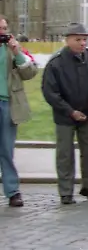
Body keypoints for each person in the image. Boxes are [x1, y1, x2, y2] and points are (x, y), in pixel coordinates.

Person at [42, 24, 88, 205]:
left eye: (84, 39)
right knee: (65, 154)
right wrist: (70, 111)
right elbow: (50, 92)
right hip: (65, 116)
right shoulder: (56, 62)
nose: (82, 43)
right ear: (67, 40)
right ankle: (66, 191)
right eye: (78, 39)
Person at [0, 15, 36, 207]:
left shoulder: (12, 48)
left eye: (4, 28)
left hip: (7, 104)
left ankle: (12, 190)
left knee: (6, 149)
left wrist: (17, 52)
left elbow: (30, 72)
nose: (3, 32)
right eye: (0, 28)